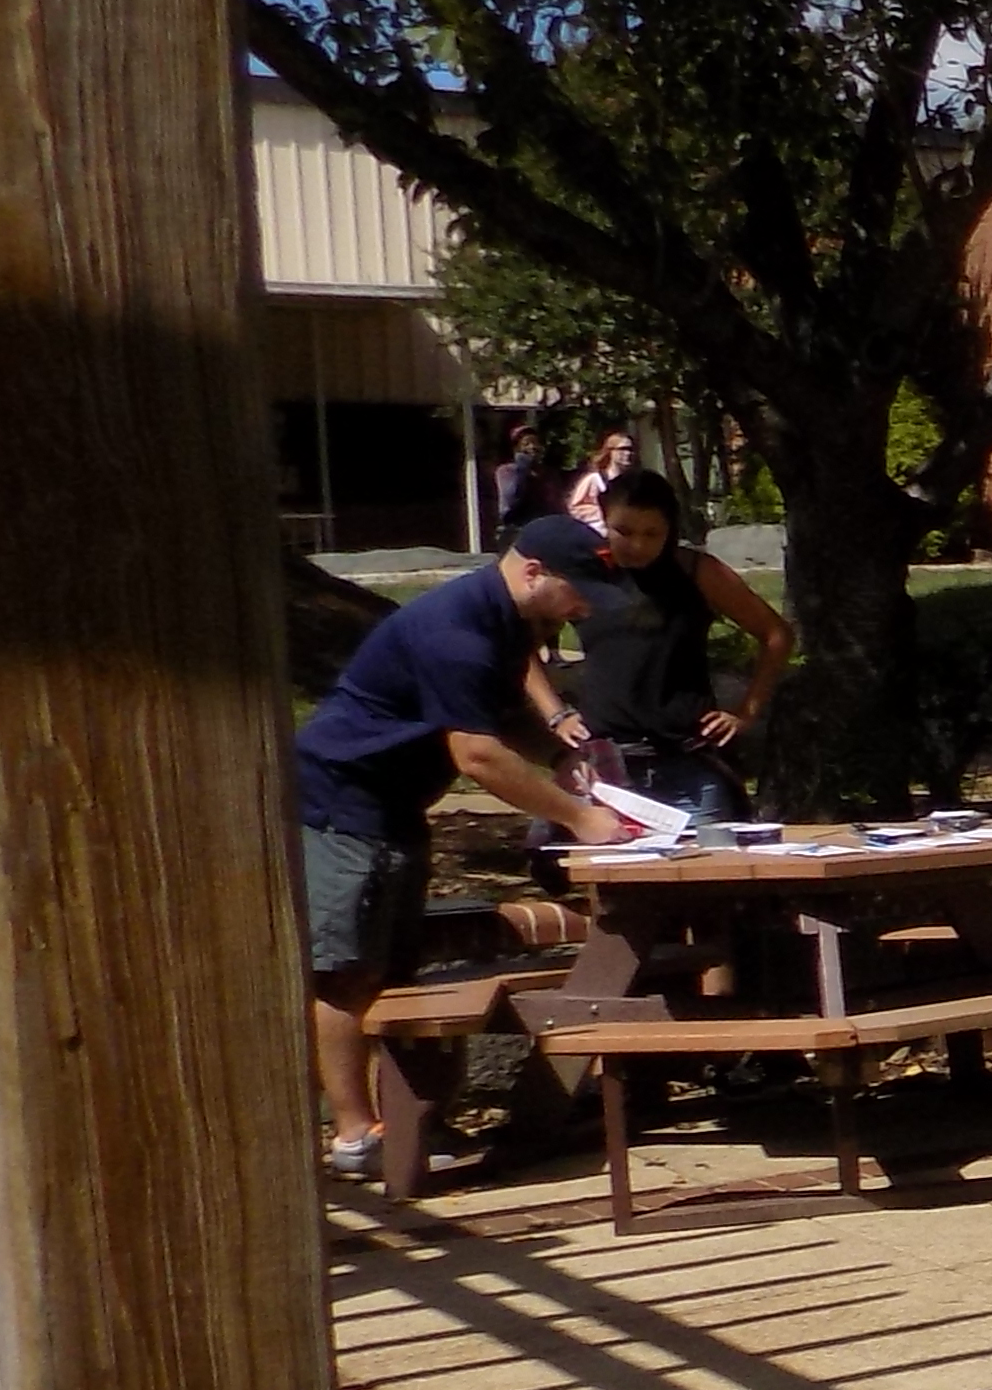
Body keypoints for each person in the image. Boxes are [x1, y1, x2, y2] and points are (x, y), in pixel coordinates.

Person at [295, 519, 630, 1184]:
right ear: (533, 571)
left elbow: (499, 722)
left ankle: (406, 1116)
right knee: (344, 973)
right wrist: (579, 819)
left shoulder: (507, 625)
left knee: (391, 973)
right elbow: (476, 756)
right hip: (341, 805)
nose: (584, 607)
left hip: (397, 810)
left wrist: (561, 761)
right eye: (578, 590)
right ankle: (355, 1133)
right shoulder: (458, 632)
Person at [568, 464, 793, 824]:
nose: (638, 545)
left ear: (670, 529)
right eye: (623, 531)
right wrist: (554, 714)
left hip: (688, 765)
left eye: (652, 534)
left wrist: (747, 711)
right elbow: (519, 640)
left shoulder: (696, 571)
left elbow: (776, 634)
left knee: (708, 872)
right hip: (606, 766)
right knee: (597, 871)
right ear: (603, 518)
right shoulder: (583, 573)